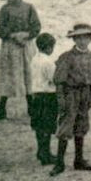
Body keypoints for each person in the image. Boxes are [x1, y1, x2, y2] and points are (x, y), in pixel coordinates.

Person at [51, 22, 91, 175]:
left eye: (85, 37)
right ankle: (59, 163)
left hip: (85, 93)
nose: (82, 41)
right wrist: (61, 99)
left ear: (90, 39)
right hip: (70, 93)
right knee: (66, 125)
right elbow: (59, 80)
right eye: (78, 38)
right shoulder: (66, 57)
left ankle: (79, 160)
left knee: (81, 125)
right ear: (74, 39)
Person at [0, 0, 41, 122]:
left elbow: (36, 26)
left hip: (26, 45)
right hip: (10, 46)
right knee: (8, 76)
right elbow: (0, 29)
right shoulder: (5, 9)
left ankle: (31, 107)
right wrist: (12, 35)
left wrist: (26, 35)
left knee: (28, 74)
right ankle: (2, 109)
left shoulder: (29, 8)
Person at [27, 32, 59, 166]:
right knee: (47, 125)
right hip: (48, 97)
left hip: (36, 96)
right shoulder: (48, 62)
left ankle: (41, 151)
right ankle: (45, 153)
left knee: (39, 126)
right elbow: (54, 79)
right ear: (49, 47)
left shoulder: (34, 59)